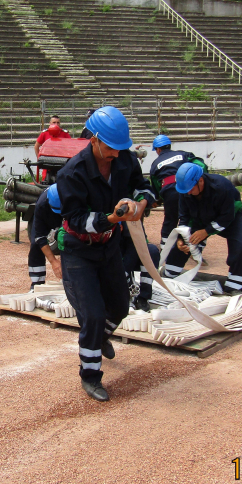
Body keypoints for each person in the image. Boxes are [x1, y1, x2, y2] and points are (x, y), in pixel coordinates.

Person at [56, 106, 155, 402]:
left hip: (109, 246)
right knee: (94, 314)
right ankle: (90, 375)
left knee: (120, 307)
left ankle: (98, 339)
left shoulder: (124, 159)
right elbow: (75, 219)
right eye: (111, 148)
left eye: (120, 148)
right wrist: (110, 219)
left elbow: (144, 188)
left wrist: (142, 205)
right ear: (95, 140)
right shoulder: (71, 173)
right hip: (79, 251)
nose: (116, 154)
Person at [162, 162, 242, 293]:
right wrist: (181, 238)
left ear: (200, 181)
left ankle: (234, 286)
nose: (189, 193)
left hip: (229, 217)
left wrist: (206, 231)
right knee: (183, 245)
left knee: (240, 246)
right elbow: (184, 217)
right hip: (200, 217)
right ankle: (169, 277)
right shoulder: (185, 190)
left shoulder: (222, 187)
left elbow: (227, 216)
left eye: (191, 189)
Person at [148, 135, 201, 248]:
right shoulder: (183, 154)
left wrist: (158, 199)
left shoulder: (155, 164)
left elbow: (156, 185)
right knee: (190, 217)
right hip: (187, 188)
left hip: (169, 192)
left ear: (158, 149)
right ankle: (193, 246)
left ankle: (164, 248)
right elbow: (200, 164)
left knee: (170, 219)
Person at [28, 184, 63, 289]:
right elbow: (40, 237)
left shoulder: (72, 196)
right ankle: (36, 283)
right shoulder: (41, 205)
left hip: (67, 213)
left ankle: (70, 281)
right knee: (35, 244)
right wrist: (54, 262)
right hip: (48, 214)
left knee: (67, 239)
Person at [120, 220, 160, 312]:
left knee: (151, 251)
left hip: (130, 253)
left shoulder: (130, 215)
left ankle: (143, 296)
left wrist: (125, 273)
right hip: (110, 255)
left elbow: (137, 246)